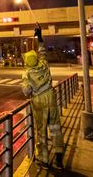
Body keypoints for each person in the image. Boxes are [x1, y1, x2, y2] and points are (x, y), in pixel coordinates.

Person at [21, 25, 64, 169]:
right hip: (50, 97)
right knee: (55, 127)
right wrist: (39, 35)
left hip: (39, 101)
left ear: (27, 61)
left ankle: (43, 159)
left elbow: (26, 92)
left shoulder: (27, 73)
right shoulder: (44, 63)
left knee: (41, 130)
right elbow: (42, 50)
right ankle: (59, 158)